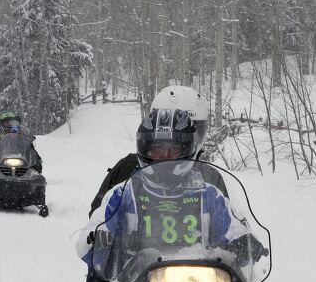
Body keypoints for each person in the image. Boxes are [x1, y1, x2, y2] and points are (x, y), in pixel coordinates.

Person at [77, 109, 263, 282]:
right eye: (157, 150)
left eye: (172, 150)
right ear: (144, 148)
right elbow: (89, 236)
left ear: (188, 149)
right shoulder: (123, 193)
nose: (164, 157)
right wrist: (98, 240)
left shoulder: (209, 195)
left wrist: (244, 241)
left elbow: (234, 228)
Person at [88, 85, 221, 217]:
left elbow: (228, 220)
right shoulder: (127, 169)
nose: (188, 132)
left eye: (195, 128)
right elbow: (99, 214)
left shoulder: (209, 176)